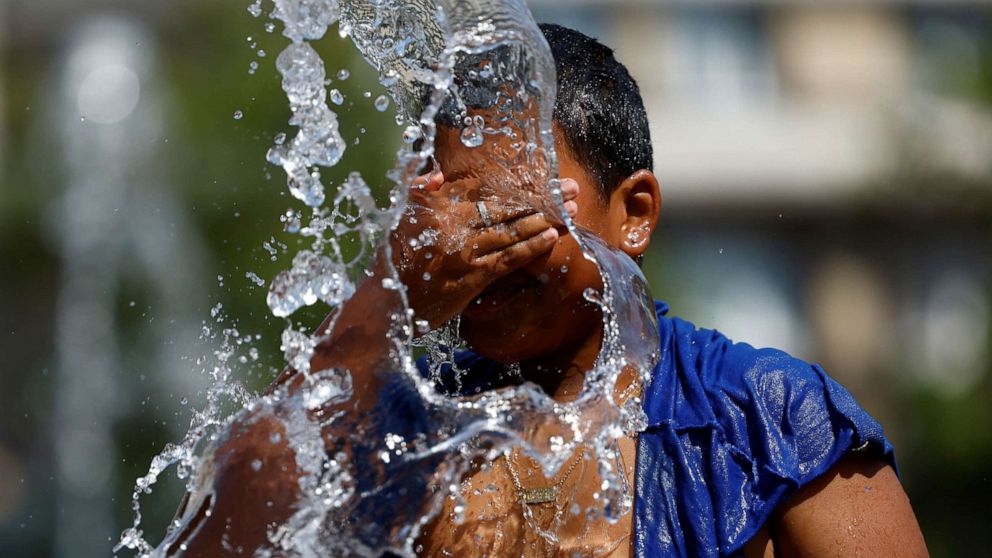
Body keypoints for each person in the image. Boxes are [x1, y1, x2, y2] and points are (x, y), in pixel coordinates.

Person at [163, 23, 929, 557]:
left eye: (507, 213)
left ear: (633, 214)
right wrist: (377, 313)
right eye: (443, 220)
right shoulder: (399, 426)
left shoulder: (765, 422)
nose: (476, 254)